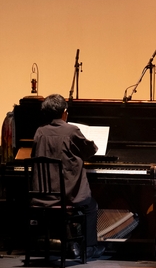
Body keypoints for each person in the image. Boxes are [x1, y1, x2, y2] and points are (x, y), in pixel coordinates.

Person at [31, 93, 105, 258]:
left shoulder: (40, 132)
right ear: (64, 112)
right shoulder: (71, 130)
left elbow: (34, 155)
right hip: (65, 196)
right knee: (91, 206)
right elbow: (90, 150)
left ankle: (71, 243)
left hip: (43, 196)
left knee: (66, 208)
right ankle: (89, 247)